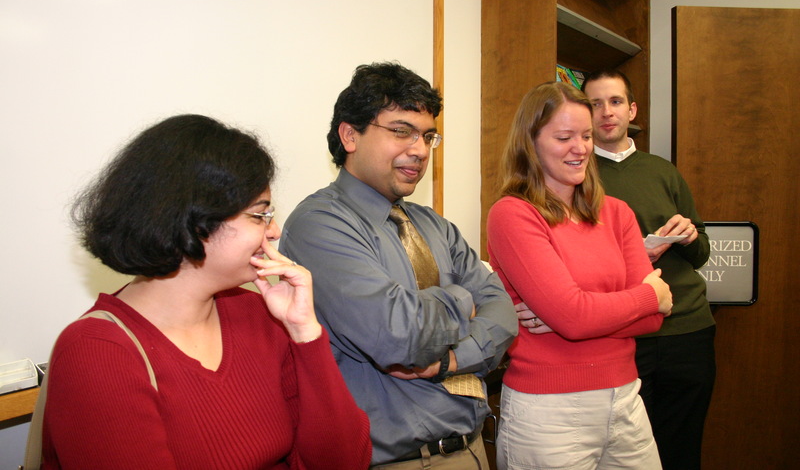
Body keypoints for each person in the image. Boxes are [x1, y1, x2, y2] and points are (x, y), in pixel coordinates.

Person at [43, 114, 371, 469]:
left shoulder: (258, 313)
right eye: (259, 215)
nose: (275, 231)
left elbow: (344, 461)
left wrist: (305, 333)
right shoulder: (97, 353)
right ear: (192, 222)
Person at [279, 62, 517, 468]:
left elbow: (504, 315)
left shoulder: (434, 225)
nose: (420, 150)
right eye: (401, 131)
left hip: (473, 448)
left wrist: (449, 361)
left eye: (427, 136)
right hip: (398, 461)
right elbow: (400, 338)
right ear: (350, 135)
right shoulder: (319, 224)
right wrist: (463, 299)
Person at [486, 81, 673, 470]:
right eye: (564, 137)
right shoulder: (513, 214)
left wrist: (578, 314)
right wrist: (648, 296)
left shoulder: (617, 213)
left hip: (626, 400)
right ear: (530, 143)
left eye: (586, 136)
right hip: (549, 413)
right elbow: (575, 318)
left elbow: (653, 320)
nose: (581, 147)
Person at [582, 69, 715, 470]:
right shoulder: (577, 175)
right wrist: (633, 258)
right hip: (626, 332)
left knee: (683, 447)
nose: (607, 112)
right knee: (629, 453)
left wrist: (688, 236)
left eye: (615, 102)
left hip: (688, 328)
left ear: (632, 110)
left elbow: (702, 254)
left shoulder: (664, 170)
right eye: (595, 104)